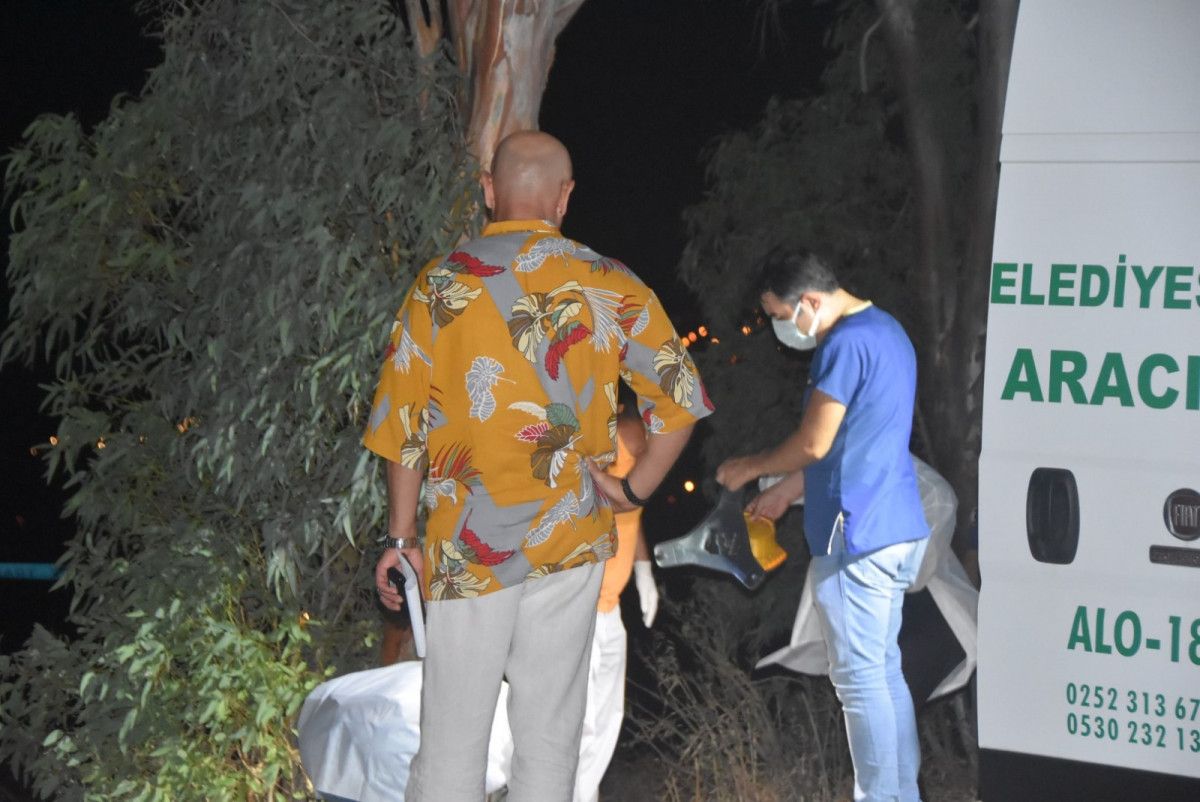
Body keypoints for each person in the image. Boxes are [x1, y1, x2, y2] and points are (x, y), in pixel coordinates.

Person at [364, 130, 712, 802]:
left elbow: (402, 427)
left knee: (451, 744)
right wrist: (632, 489)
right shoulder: (607, 281)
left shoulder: (441, 285)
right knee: (550, 746)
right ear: (564, 197)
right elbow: (681, 401)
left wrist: (401, 538)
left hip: (469, 545)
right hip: (569, 539)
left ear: (489, 191)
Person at [716, 250, 930, 802]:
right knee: (882, 673)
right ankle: (900, 794)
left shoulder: (843, 343)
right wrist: (787, 491)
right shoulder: (887, 331)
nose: (779, 328)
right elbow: (852, 440)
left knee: (861, 682)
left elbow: (813, 441)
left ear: (809, 301)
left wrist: (753, 467)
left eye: (778, 316)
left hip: (856, 533)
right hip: (893, 524)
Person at [574, 406, 658, 802]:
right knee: (581, 721)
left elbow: (631, 508)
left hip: (610, 608)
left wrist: (643, 569)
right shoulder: (622, 435)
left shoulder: (645, 441)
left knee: (608, 719)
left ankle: (583, 795)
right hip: (581, 606)